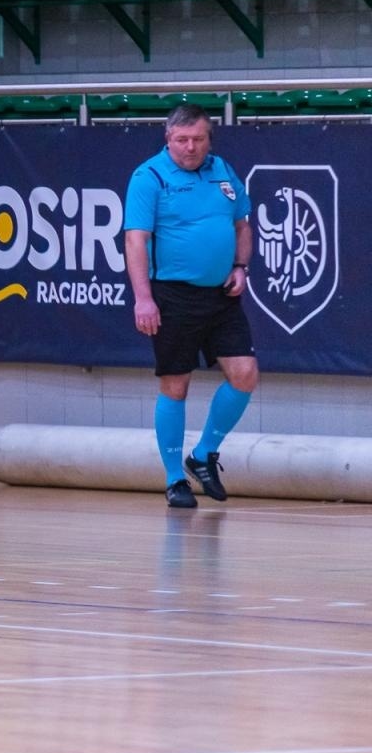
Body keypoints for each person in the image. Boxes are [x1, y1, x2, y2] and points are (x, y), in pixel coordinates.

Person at [124, 104, 257, 509]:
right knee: (176, 385)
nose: (190, 147)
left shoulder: (223, 171)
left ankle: (202, 455)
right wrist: (143, 298)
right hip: (173, 296)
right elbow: (135, 240)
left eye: (198, 139)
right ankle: (173, 480)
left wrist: (240, 266)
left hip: (221, 295)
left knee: (245, 375)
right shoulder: (149, 177)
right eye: (182, 140)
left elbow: (242, 224)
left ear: (209, 139)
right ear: (168, 139)